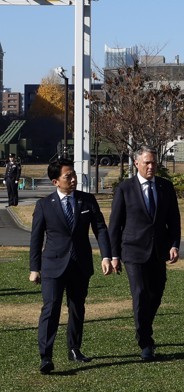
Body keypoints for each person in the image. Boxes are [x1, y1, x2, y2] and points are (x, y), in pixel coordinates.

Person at [29, 158, 114, 373]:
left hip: (80, 264)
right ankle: (46, 356)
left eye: (74, 175)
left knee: (77, 308)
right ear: (55, 181)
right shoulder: (44, 205)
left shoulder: (86, 201)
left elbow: (101, 229)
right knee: (51, 309)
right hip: (53, 266)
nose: (74, 179)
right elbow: (36, 239)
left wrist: (106, 256)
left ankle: (74, 348)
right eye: (68, 176)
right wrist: (34, 268)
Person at [108, 148, 181, 361]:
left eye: (154, 163)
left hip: (158, 251)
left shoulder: (165, 187)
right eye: (147, 163)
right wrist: (113, 255)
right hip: (132, 251)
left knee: (155, 294)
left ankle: (144, 325)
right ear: (136, 163)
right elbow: (115, 225)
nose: (151, 167)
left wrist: (174, 244)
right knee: (140, 292)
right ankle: (145, 341)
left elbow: (173, 220)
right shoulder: (124, 189)